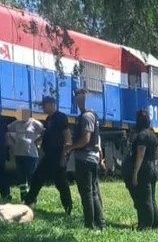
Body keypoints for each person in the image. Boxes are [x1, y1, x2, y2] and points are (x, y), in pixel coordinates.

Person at [22, 96, 73, 215]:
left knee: (61, 183)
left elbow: (67, 134)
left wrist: (65, 153)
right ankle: (29, 202)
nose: (43, 108)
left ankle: (68, 207)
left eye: (44, 106)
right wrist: (39, 140)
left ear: (51, 104)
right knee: (37, 178)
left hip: (58, 155)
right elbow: (47, 134)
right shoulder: (49, 119)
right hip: (49, 156)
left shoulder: (61, 117)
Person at [66, 88, 106, 230]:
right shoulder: (87, 115)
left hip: (85, 159)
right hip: (90, 158)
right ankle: (100, 223)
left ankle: (91, 224)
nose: (78, 100)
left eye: (80, 97)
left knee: (87, 193)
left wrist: (71, 147)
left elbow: (86, 138)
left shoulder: (87, 116)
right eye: (77, 96)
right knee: (93, 192)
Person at [129, 109, 158, 230]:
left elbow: (140, 154)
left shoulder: (142, 136)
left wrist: (135, 172)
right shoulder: (153, 135)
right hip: (154, 166)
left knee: (145, 198)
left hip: (145, 168)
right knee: (152, 197)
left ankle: (145, 224)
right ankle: (154, 223)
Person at [7, 108, 44, 202]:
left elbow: (44, 133)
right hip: (18, 154)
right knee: (21, 177)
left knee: (32, 176)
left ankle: (33, 197)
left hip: (31, 154)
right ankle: (24, 197)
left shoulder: (35, 123)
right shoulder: (16, 123)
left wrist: (38, 142)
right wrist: (12, 143)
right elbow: (6, 130)